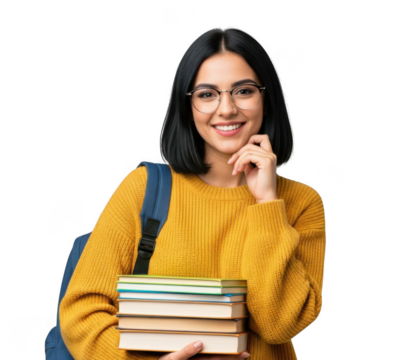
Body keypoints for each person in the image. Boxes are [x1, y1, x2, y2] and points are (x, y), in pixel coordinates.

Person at [60, 26, 327, 360]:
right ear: (187, 106)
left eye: (243, 91)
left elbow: (278, 325)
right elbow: (81, 312)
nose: (227, 109)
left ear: (266, 97)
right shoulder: (142, 189)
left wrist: (267, 204)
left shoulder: (302, 204)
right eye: (207, 94)